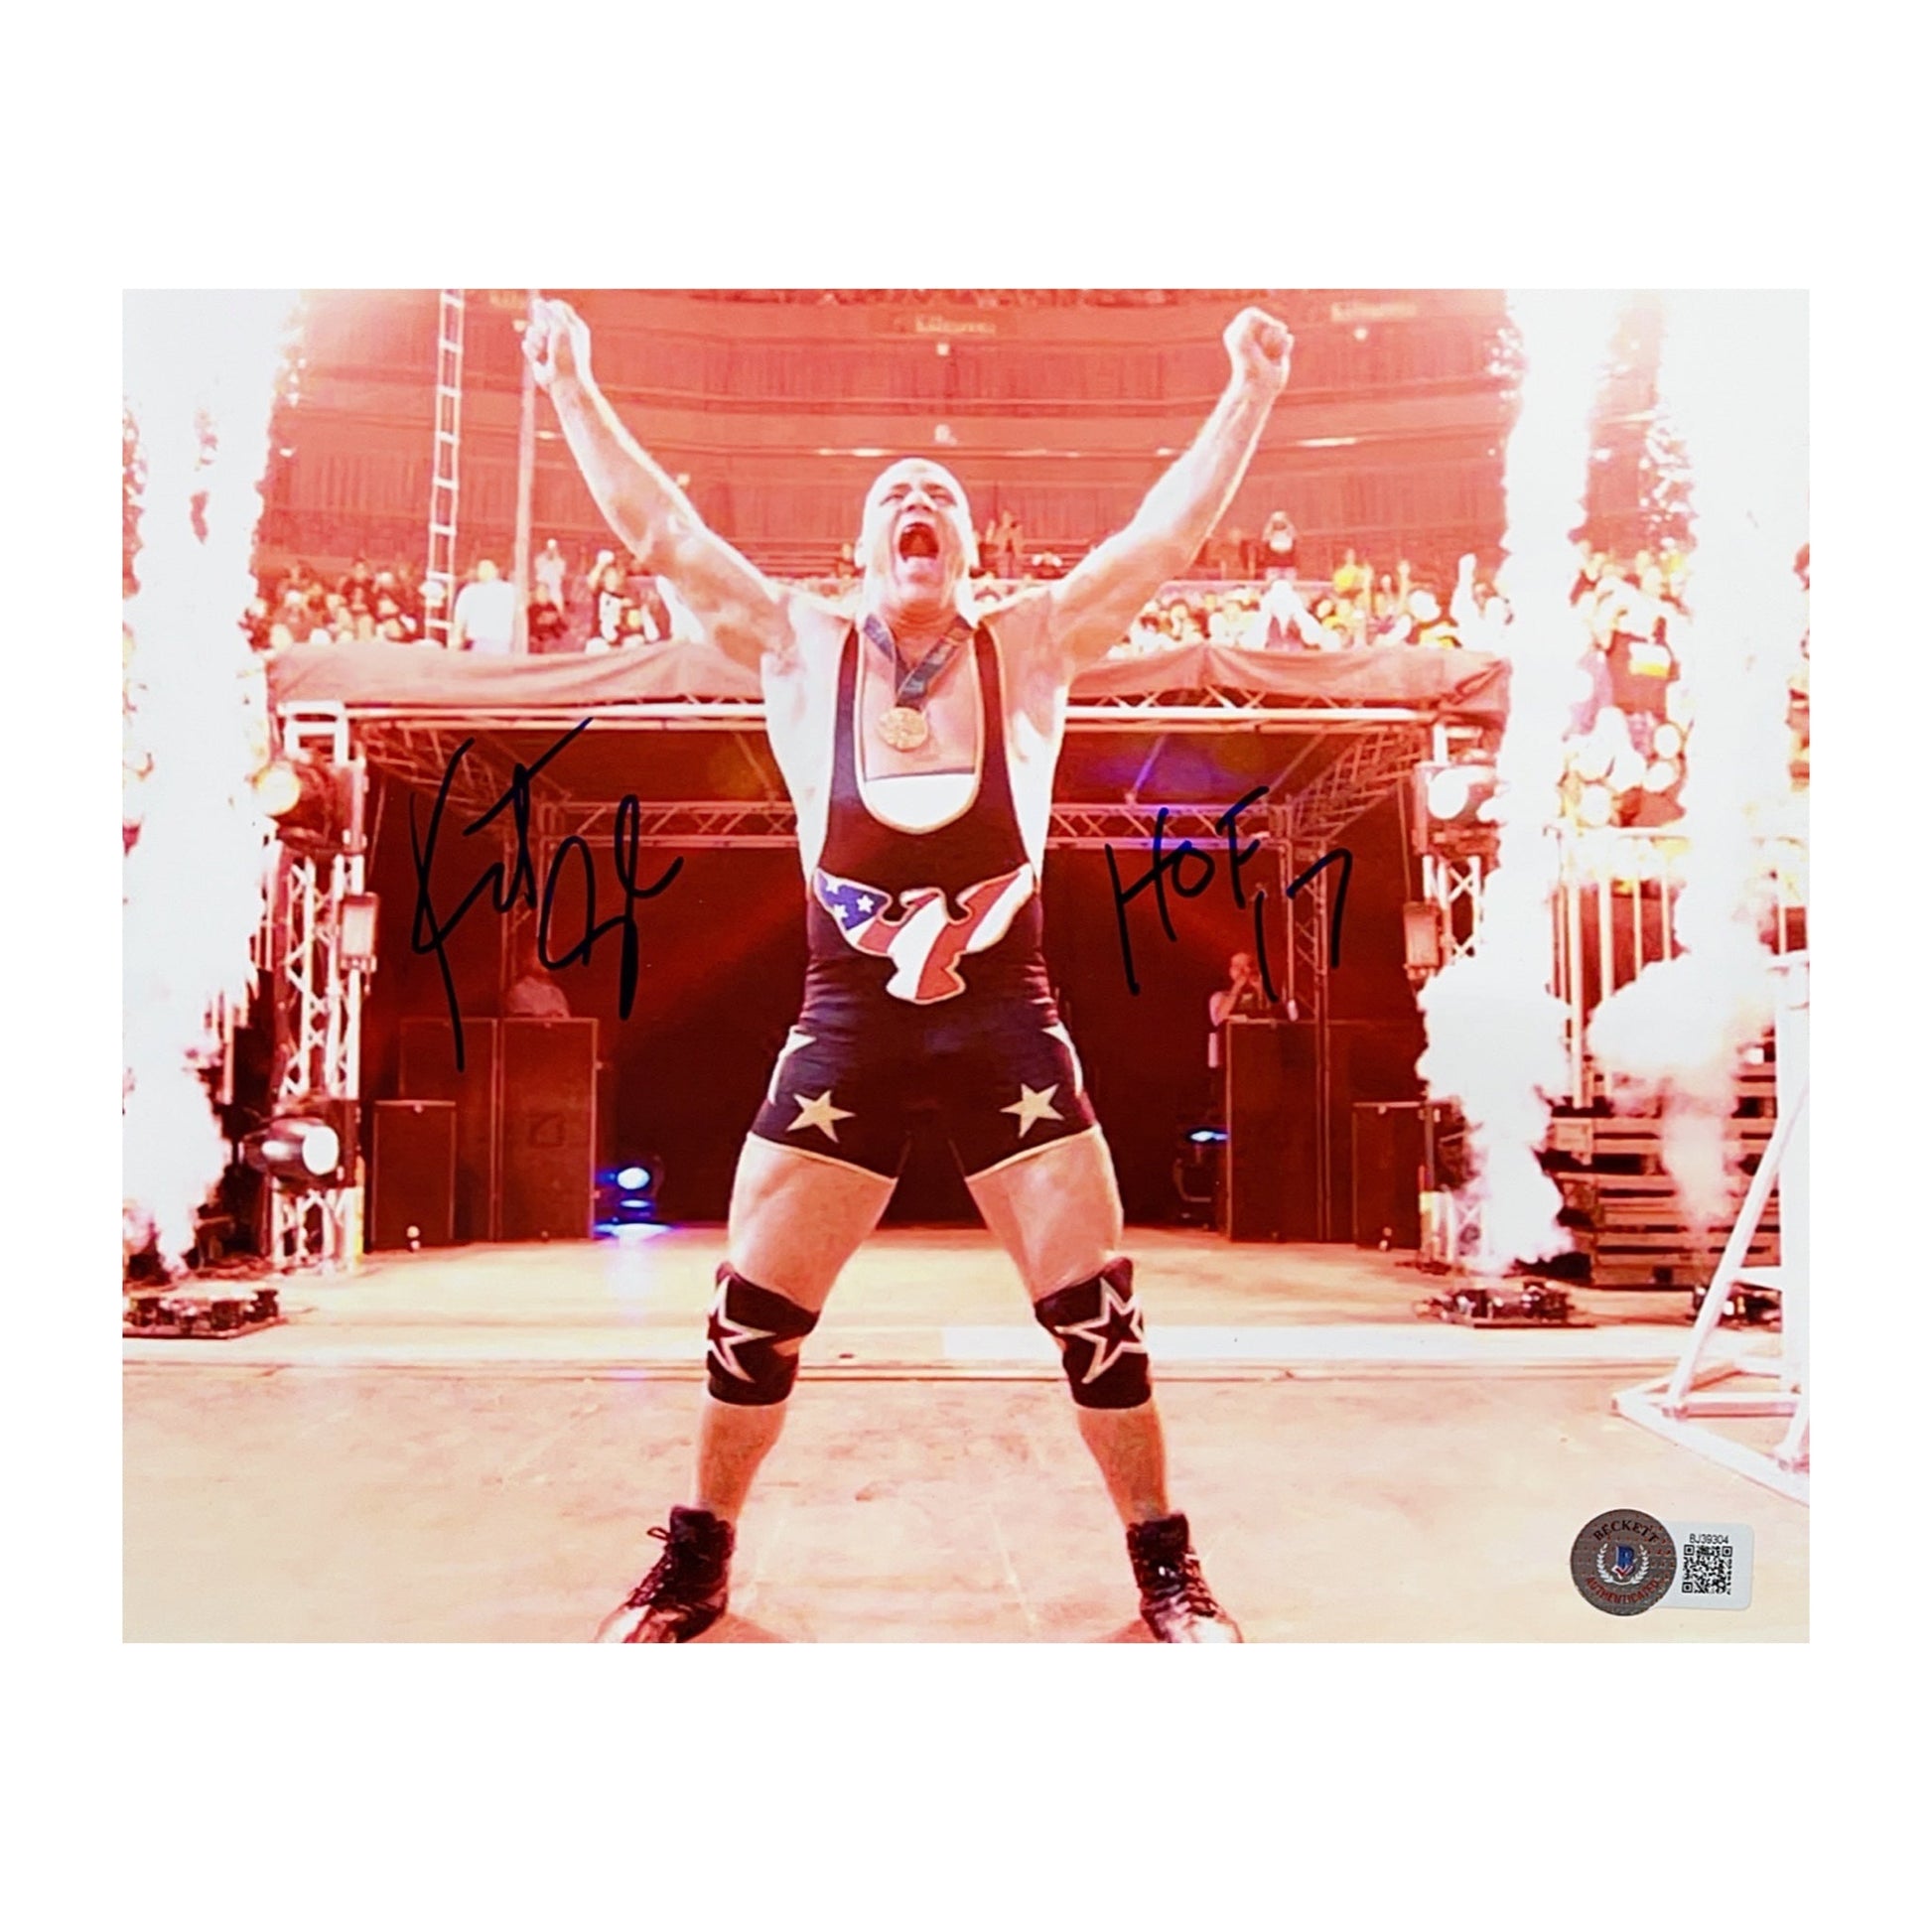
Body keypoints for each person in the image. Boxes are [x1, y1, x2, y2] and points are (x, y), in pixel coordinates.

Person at [526, 294, 1294, 1644]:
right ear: (863, 545)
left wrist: (1251, 391)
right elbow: (662, 536)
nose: (917, 502)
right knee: (751, 1315)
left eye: (939, 493)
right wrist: (571, 385)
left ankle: (1165, 1569)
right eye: (894, 494)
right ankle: (695, 1562)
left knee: (1095, 1313)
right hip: (846, 1025)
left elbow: (1161, 541)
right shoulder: (799, 644)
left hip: (1006, 1021)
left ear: (969, 546)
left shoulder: (1030, 645)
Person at [451, 559, 517, 655]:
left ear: (496, 570)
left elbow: (518, 613)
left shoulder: (509, 590)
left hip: (501, 642)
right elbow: (460, 617)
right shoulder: (469, 591)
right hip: (476, 641)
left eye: (488, 568)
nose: (485, 571)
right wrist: (456, 638)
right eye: (482, 568)